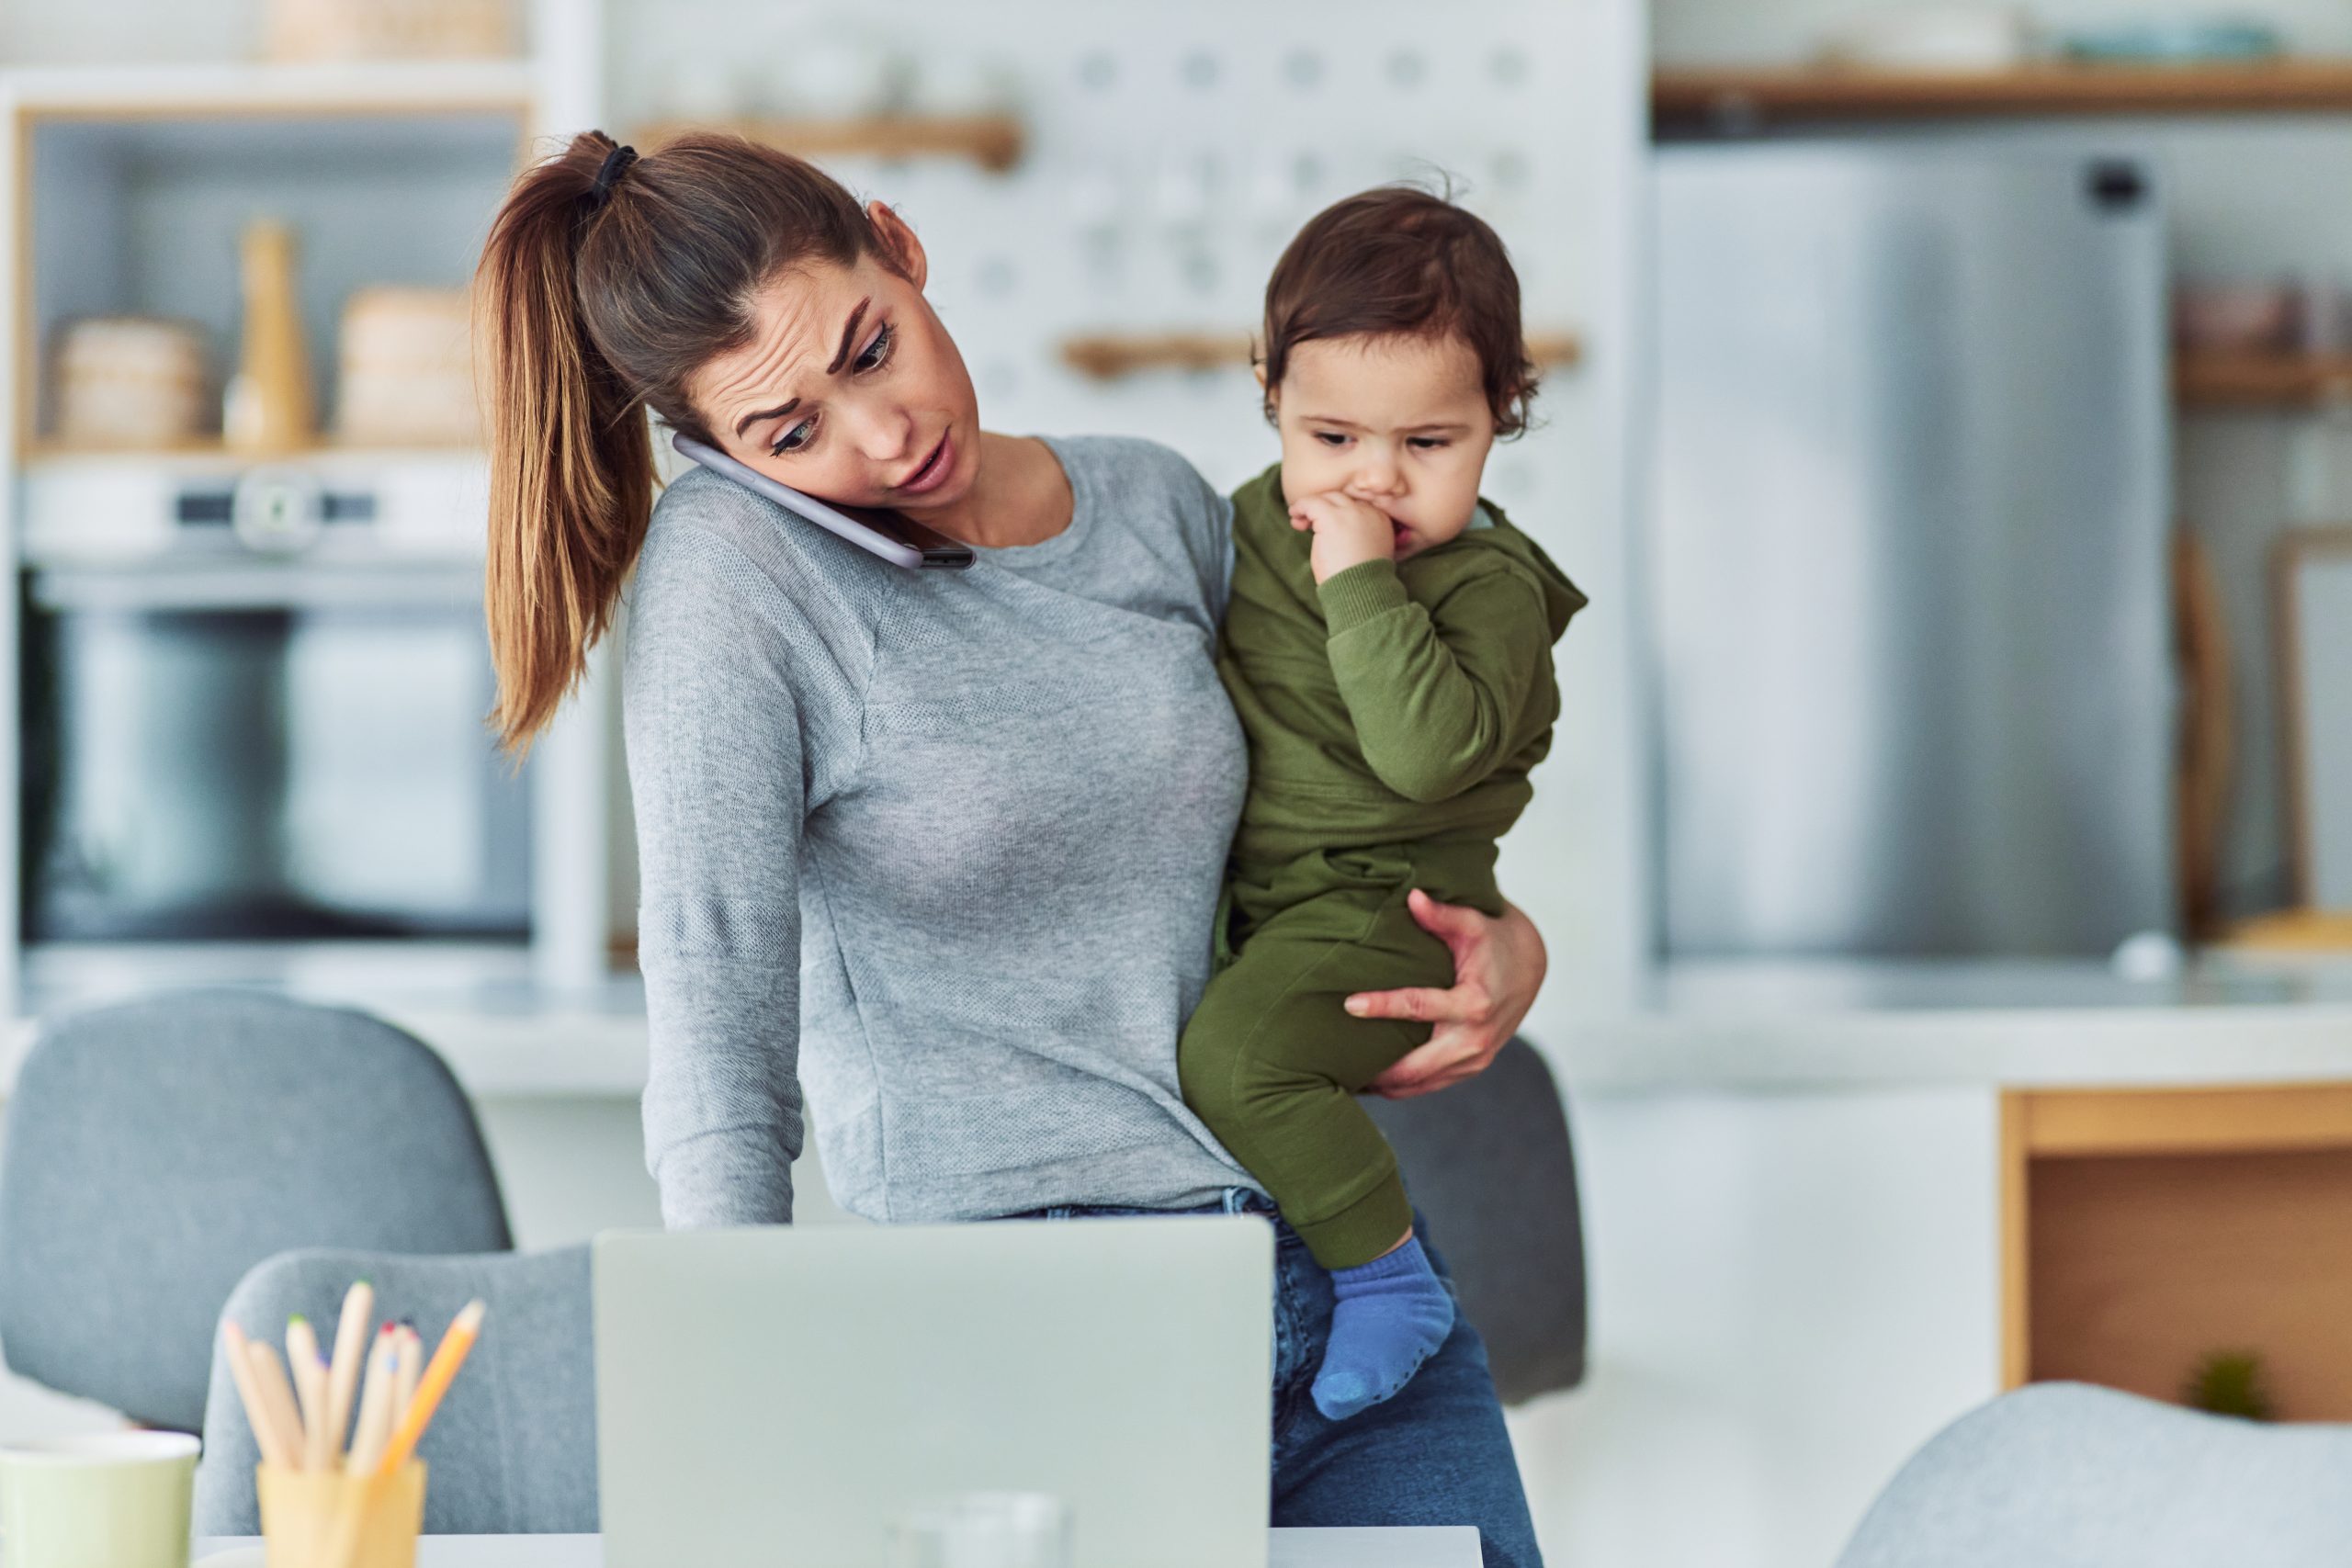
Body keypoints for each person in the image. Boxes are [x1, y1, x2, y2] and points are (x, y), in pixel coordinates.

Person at [475, 130, 1552, 1566]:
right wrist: (731, 1385)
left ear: (899, 244)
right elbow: (715, 987)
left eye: (872, 347)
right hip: (1026, 1331)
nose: (879, 434)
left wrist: (1514, 941)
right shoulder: (743, 579)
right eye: (789, 431)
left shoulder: (1159, 504)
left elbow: (1353, 783)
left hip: (1335, 1274)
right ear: (716, 452)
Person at [1178, 187, 1583, 1424]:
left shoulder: (1488, 586)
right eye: (1335, 439)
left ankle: (1388, 1277)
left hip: (1390, 905)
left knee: (1234, 1063)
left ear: (1499, 417)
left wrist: (1358, 584)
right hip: (1267, 903)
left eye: (1428, 445)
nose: (1375, 485)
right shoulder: (1236, 526)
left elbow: (1420, 758)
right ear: (1268, 396)